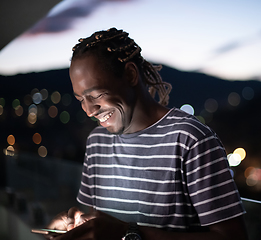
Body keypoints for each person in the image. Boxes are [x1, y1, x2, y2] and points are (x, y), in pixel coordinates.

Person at [46, 28, 248, 240]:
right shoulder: (97, 142)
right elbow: (97, 222)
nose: (89, 110)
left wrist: (129, 234)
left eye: (96, 94)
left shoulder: (190, 139)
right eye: (80, 99)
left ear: (131, 74)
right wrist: (76, 226)